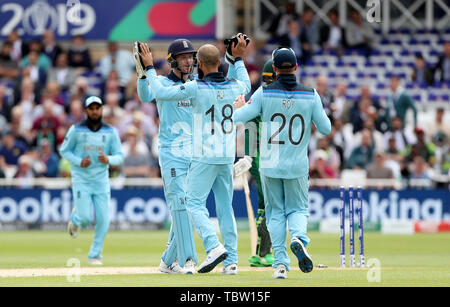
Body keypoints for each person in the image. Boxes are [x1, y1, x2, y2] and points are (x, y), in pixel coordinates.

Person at [141, 35, 250, 274]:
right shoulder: (234, 85)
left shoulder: (195, 87)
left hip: (202, 153)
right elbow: (247, 84)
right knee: (225, 207)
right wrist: (237, 58)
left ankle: (212, 246)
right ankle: (231, 261)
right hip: (226, 154)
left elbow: (159, 90)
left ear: (199, 63)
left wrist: (148, 67)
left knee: (191, 203)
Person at [234, 47, 331, 279]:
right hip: (297, 164)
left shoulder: (263, 93)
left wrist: (239, 107)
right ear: (296, 67)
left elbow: (238, 119)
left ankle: (279, 264)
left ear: (274, 69)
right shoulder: (312, 94)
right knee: (298, 209)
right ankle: (298, 237)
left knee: (274, 212)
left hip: (269, 164)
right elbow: (326, 129)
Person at [136, 38, 200, 274]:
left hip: (194, 153)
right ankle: (187, 261)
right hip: (172, 152)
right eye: (183, 58)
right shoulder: (161, 81)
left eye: (190, 57)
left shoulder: (195, 85)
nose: (188, 61)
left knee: (189, 208)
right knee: (180, 204)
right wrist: (143, 73)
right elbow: (144, 96)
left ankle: (167, 261)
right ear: (173, 61)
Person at [59, 96, 124, 265]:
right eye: (91, 108)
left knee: (103, 219)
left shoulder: (110, 131)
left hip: (101, 181)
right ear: (86, 110)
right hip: (81, 179)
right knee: (86, 219)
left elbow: (120, 156)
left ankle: (95, 255)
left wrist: (108, 159)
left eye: (97, 108)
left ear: (101, 110)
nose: (95, 111)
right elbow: (64, 151)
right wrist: (79, 161)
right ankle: (76, 218)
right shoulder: (76, 130)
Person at [238, 59, 276, 268]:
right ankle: (262, 253)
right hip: (262, 159)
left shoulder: (261, 97)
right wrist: (249, 157)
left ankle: (262, 252)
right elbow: (250, 129)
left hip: (265, 159)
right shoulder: (259, 98)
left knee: (267, 206)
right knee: (267, 206)